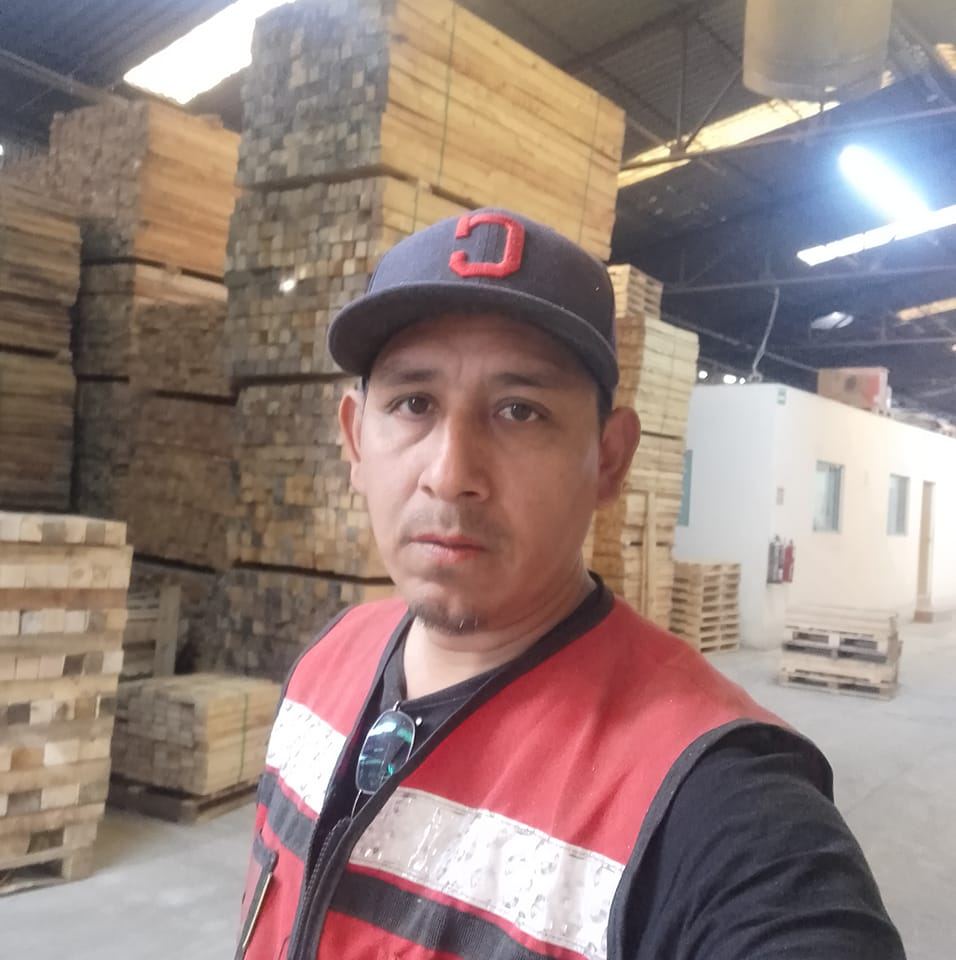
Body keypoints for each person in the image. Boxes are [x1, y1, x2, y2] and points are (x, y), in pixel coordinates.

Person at [237, 209, 905, 960]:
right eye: (413, 404)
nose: (451, 474)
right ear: (357, 438)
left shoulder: (712, 797)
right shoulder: (329, 661)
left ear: (610, 460)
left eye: (519, 411)